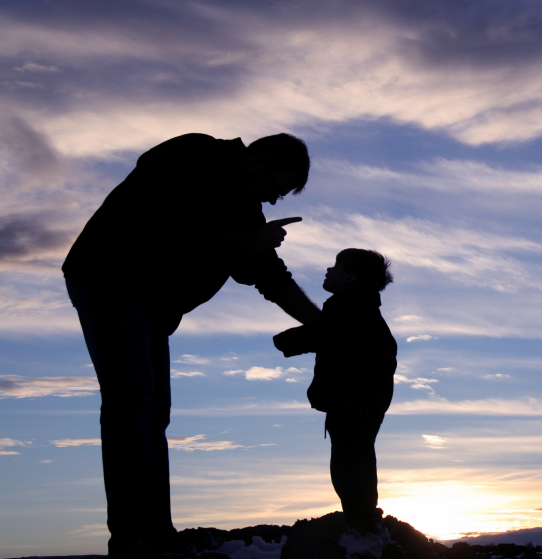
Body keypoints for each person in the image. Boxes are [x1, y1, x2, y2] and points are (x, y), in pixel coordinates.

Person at [63, 132, 321, 558]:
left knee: (152, 412)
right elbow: (155, 223)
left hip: (149, 301)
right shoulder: (192, 155)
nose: (275, 201)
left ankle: (155, 532)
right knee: (132, 402)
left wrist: (324, 325)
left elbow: (270, 277)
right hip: (109, 276)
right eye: (278, 188)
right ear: (261, 159)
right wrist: (244, 241)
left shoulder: (245, 211)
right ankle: (131, 540)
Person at [273, 249, 397, 547]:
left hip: (353, 399)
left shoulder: (349, 306)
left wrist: (283, 340)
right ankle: (364, 524)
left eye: (336, 266)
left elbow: (322, 333)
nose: (328, 270)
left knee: (349, 465)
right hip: (362, 398)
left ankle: (364, 532)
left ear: (350, 277)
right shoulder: (360, 308)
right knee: (354, 461)